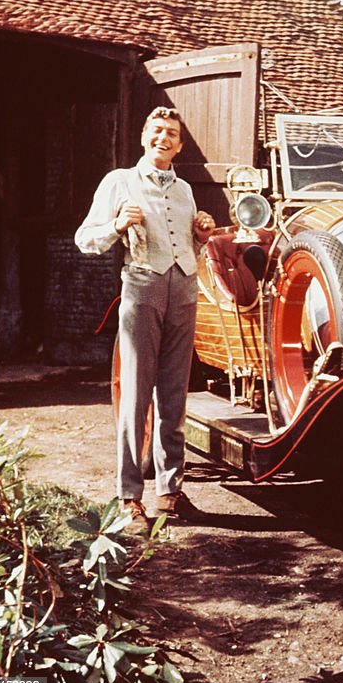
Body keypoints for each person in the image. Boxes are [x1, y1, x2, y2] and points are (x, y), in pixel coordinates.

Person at [76, 106, 215, 529]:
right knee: (136, 393)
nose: (164, 139)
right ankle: (129, 495)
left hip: (184, 289)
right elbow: (86, 239)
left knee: (174, 393)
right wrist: (118, 223)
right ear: (143, 137)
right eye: (157, 131)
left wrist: (201, 236)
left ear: (180, 143)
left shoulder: (186, 190)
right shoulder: (120, 181)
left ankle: (170, 490)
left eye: (171, 133)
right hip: (142, 287)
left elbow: (191, 247)